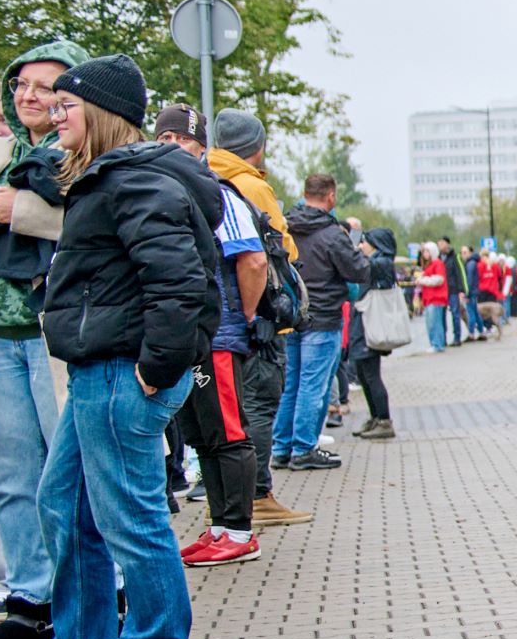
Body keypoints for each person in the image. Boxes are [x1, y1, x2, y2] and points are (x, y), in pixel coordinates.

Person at [11, 55, 220, 639]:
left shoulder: (134, 180)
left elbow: (179, 281)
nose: (53, 113)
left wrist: (158, 367)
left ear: (100, 113)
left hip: (121, 373)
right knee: (65, 505)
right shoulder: (109, 177)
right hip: (97, 371)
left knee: (130, 515)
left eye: (66, 105)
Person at [0, 39, 83, 639]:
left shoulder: (89, 152)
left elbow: (94, 224)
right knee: (9, 477)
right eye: (21, 86)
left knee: (72, 474)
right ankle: (29, 599)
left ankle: (92, 592)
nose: (29, 97)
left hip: (54, 339)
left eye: (45, 87)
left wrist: (24, 209)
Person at [154, 106, 268, 566]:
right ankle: (219, 525)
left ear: (202, 147)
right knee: (201, 435)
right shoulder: (162, 191)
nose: (173, 148)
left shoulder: (219, 196)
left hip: (217, 337)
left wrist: (238, 315)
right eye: (164, 139)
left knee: (228, 433)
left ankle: (240, 532)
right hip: (186, 338)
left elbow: (253, 261)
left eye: (183, 140)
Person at [207, 110, 303, 527]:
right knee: (260, 403)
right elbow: (275, 252)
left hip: (218, 317)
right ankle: (258, 497)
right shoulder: (250, 185)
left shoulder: (205, 178)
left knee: (227, 416)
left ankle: (227, 502)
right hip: (256, 316)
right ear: (257, 146)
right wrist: (253, 312)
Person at [273, 173, 367, 472]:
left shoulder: (285, 225)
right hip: (323, 315)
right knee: (313, 386)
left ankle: (281, 447)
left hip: (291, 315)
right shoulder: (332, 233)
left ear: (304, 193)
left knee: (291, 385)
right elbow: (357, 271)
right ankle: (303, 448)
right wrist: (360, 254)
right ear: (331, 196)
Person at [348, 224, 399, 441]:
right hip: (365, 322)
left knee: (371, 374)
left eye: (366, 241)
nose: (362, 245)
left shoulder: (381, 262)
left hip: (371, 324)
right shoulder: (378, 261)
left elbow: (357, 262)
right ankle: (376, 417)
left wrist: (351, 245)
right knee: (363, 373)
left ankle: (384, 419)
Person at [418, 243, 451, 352]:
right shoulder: (429, 265)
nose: (424, 254)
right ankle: (434, 343)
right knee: (430, 323)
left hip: (436, 298)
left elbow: (439, 279)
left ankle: (437, 344)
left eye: (427, 251)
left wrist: (422, 280)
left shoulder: (437, 263)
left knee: (435, 323)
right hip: (429, 298)